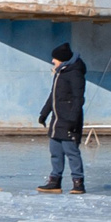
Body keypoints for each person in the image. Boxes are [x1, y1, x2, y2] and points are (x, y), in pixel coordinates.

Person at [39, 42, 87, 193]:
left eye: (55, 58)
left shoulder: (74, 74)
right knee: (55, 151)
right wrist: (44, 113)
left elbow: (78, 98)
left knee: (71, 152)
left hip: (68, 120)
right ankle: (55, 181)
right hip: (57, 120)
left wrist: (73, 119)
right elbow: (53, 95)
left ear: (63, 59)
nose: (53, 61)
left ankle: (78, 183)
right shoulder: (61, 72)